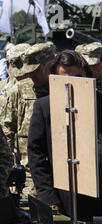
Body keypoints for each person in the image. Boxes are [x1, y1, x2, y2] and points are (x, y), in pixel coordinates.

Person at [28, 50, 102, 222]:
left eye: (78, 77)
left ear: (87, 76)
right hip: (63, 200)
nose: (73, 84)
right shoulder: (44, 107)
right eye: (65, 79)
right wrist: (49, 198)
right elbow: (36, 155)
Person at [1, 43, 55, 199]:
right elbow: (7, 130)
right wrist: (10, 170)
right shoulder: (19, 89)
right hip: (29, 173)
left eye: (35, 71)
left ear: (48, 65)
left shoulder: (67, 86)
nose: (31, 75)